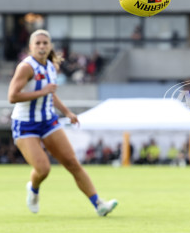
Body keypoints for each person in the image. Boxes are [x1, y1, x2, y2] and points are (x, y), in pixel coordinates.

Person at [8, 29, 117, 217]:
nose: (42, 46)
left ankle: (99, 204)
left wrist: (67, 112)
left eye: (45, 43)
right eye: (38, 43)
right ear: (31, 47)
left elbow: (50, 93)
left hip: (48, 121)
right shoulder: (26, 67)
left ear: (50, 46)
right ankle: (33, 188)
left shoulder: (51, 66)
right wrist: (42, 92)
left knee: (72, 162)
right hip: (25, 124)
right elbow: (13, 96)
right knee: (43, 169)